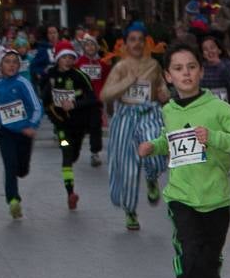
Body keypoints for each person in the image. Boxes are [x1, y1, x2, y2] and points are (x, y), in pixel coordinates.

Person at [136, 42, 230, 278]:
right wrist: (154, 146)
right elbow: (171, 141)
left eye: (191, 67)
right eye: (178, 68)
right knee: (190, 258)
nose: (185, 73)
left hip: (215, 200)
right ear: (168, 77)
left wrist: (213, 137)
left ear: (201, 71)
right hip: (182, 198)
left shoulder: (217, 108)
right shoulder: (169, 110)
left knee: (208, 264)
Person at [101, 21, 170, 231]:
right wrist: (127, 82)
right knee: (128, 167)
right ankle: (130, 211)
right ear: (125, 43)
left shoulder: (154, 65)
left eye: (141, 39)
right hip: (125, 116)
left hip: (149, 113)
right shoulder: (120, 67)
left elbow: (162, 89)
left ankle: (151, 177)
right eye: (133, 39)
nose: (137, 44)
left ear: (146, 42)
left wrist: (164, 93)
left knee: (157, 150)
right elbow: (105, 94)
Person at [0, 49, 43, 219]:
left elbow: (37, 106)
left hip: (24, 133)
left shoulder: (23, 83)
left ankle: (22, 171)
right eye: (7, 61)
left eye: (15, 62)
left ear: (19, 66)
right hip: (6, 133)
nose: (11, 65)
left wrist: (31, 125)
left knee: (21, 170)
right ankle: (13, 201)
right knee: (9, 166)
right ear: (0, 65)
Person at [41, 39, 99, 210]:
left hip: (79, 125)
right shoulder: (49, 76)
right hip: (62, 127)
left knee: (74, 155)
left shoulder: (80, 76)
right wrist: (55, 117)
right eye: (64, 57)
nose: (67, 60)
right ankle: (70, 193)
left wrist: (74, 104)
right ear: (58, 58)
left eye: (70, 57)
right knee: (66, 153)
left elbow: (92, 98)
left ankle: (71, 158)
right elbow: (45, 100)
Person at [75, 34, 110, 166]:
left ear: (96, 47)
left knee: (96, 127)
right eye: (87, 45)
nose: (89, 47)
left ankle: (95, 153)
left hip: (96, 100)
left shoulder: (102, 64)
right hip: (82, 100)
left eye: (92, 45)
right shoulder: (78, 63)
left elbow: (106, 79)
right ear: (83, 47)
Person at [199, 34, 230, 107]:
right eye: (205, 49)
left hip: (227, 104)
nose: (209, 51)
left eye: (212, 47)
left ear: (219, 50)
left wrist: (219, 64)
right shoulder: (200, 67)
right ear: (203, 54)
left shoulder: (228, 64)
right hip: (207, 104)